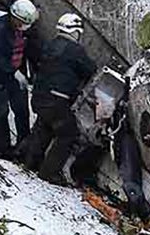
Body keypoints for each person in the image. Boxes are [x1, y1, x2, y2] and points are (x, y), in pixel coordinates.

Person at [24, 13, 98, 185]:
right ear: (75, 32)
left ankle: (30, 162)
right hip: (56, 100)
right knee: (67, 133)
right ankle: (49, 172)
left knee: (44, 126)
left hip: (39, 97)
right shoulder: (75, 50)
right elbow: (90, 69)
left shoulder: (50, 44)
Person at [0, 0, 39, 159]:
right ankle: (2, 149)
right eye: (21, 22)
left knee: (22, 112)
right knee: (1, 112)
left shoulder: (27, 30)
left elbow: (32, 51)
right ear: (14, 17)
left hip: (17, 77)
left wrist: (34, 73)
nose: (24, 26)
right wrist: (13, 70)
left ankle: (23, 148)